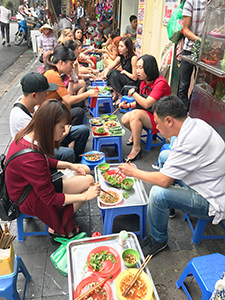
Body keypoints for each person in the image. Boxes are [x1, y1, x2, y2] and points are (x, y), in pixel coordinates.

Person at [118, 95, 225, 256]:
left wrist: (134, 172)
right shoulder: (195, 123)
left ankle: (158, 240)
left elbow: (163, 180)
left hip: (211, 198)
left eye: (157, 123)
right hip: (206, 179)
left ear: (169, 121)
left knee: (157, 193)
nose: (157, 128)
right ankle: (171, 208)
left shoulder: (189, 140)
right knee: (164, 156)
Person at [6, 100, 101, 238]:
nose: (64, 131)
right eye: (62, 127)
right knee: (89, 184)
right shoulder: (32, 158)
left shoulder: (27, 135)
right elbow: (50, 198)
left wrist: (70, 165)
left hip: (31, 186)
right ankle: (58, 227)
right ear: (49, 125)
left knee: (86, 173)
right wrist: (85, 196)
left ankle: (63, 216)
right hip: (28, 198)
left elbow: (44, 160)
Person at [10, 72, 89, 163]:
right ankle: (70, 165)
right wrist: (63, 134)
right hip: (37, 149)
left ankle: (78, 160)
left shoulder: (30, 101)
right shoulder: (21, 118)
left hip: (47, 135)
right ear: (34, 95)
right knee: (68, 153)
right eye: (44, 92)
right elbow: (41, 143)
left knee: (83, 130)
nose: (47, 94)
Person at [120, 55, 171, 161]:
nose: (137, 71)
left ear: (149, 68)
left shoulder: (160, 83)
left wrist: (133, 93)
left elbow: (147, 103)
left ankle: (136, 148)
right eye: (136, 68)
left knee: (136, 115)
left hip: (162, 119)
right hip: (150, 114)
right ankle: (135, 135)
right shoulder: (144, 82)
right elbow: (141, 101)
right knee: (124, 119)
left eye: (140, 68)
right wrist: (128, 105)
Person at [43, 45, 99, 125]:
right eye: (71, 64)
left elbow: (67, 97)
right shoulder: (53, 74)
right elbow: (68, 100)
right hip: (48, 114)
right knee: (79, 112)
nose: (72, 67)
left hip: (54, 108)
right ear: (61, 62)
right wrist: (88, 94)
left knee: (78, 107)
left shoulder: (55, 73)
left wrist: (71, 79)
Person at [178, 0, 210, 110]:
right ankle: (181, 111)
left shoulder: (215, 4)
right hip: (189, 49)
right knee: (183, 84)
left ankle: (191, 110)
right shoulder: (191, 2)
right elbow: (185, 30)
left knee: (200, 85)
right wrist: (201, 41)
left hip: (208, 52)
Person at [102, 37, 139, 102]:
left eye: (121, 46)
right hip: (125, 79)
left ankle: (120, 96)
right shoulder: (121, 57)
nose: (119, 48)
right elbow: (109, 67)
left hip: (131, 82)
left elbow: (135, 77)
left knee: (114, 74)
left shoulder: (133, 58)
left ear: (127, 48)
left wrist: (124, 72)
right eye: (119, 46)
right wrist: (104, 75)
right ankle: (116, 94)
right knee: (111, 72)